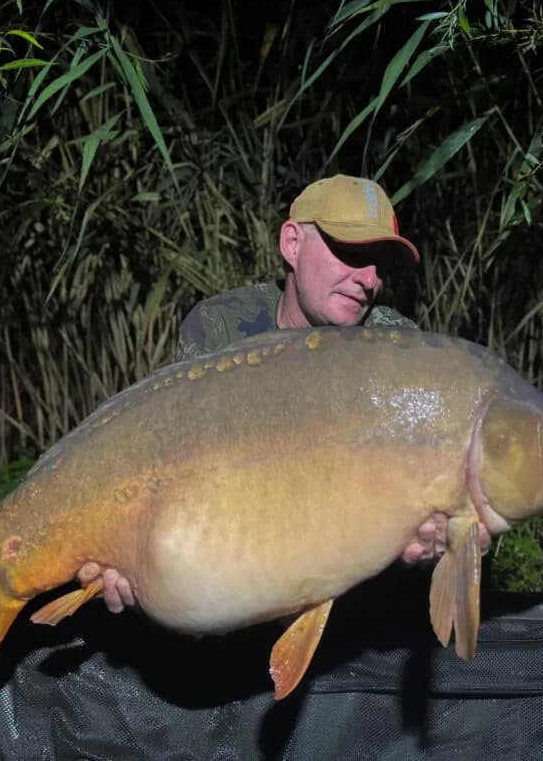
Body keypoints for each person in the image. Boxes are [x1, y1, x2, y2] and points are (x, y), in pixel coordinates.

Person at [81, 174, 490, 614]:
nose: (369, 279)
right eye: (351, 253)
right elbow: (174, 470)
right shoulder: (221, 330)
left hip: (353, 603)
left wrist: (459, 537)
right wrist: (131, 549)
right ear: (292, 244)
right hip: (233, 567)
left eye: (380, 264)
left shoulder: (397, 348)